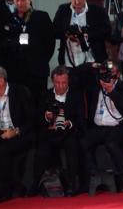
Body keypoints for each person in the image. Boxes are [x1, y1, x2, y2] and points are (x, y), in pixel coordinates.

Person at [0, 66, 38, 200]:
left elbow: (32, 120)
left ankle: (8, 188)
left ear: (1, 81)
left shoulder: (21, 92)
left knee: (3, 150)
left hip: (20, 133)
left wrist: (16, 131)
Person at [33, 66, 85, 197]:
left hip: (69, 132)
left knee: (72, 146)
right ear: (52, 81)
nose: (60, 86)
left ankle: (72, 184)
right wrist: (47, 117)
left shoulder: (76, 95)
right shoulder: (45, 95)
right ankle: (36, 185)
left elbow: (82, 119)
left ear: (68, 82)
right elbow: (37, 119)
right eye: (57, 83)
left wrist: (69, 123)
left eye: (63, 83)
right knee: (41, 149)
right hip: (50, 132)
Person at [83, 62, 123, 193]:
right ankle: (94, 175)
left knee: (112, 144)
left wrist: (112, 91)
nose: (108, 77)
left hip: (119, 126)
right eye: (105, 73)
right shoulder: (96, 87)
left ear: (118, 74)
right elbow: (77, 77)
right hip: (99, 126)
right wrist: (91, 66)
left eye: (112, 73)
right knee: (83, 142)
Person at [53, 0, 110, 98]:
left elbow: (107, 30)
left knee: (93, 96)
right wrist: (68, 34)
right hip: (69, 65)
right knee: (73, 97)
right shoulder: (63, 9)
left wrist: (87, 36)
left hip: (92, 62)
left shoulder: (97, 10)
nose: (77, 2)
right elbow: (54, 31)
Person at [1, 0, 55, 99]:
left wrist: (42, 61)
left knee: (39, 102)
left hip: (37, 70)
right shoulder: (8, 19)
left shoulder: (41, 16)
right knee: (19, 104)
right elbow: (4, 42)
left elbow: (50, 42)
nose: (20, 3)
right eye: (17, 0)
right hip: (16, 72)